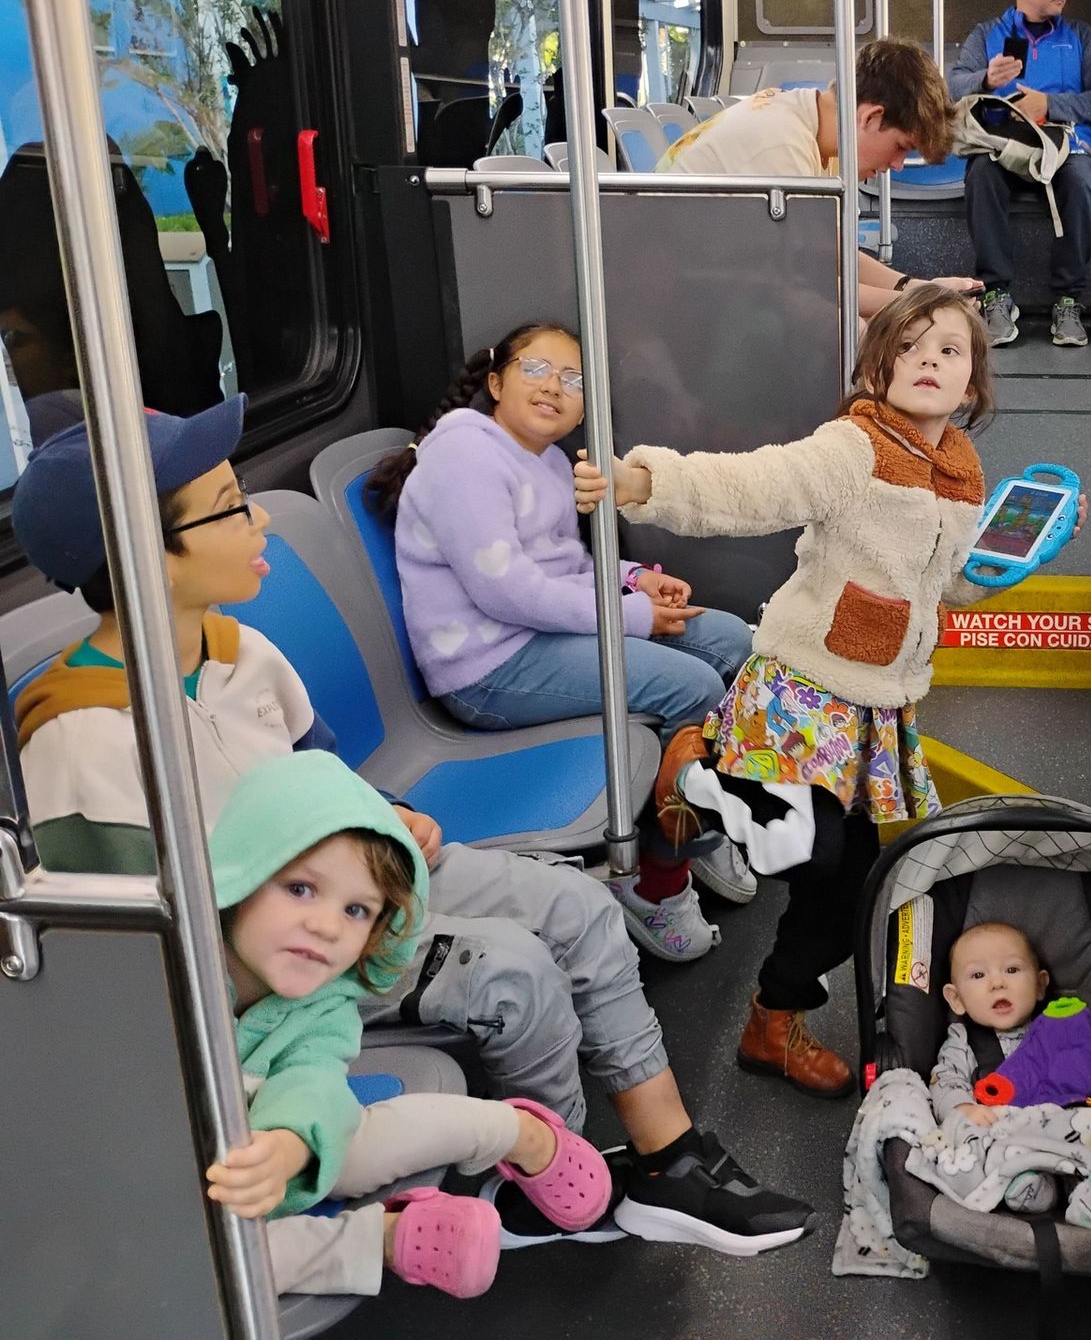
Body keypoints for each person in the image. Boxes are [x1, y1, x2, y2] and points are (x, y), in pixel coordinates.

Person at [8, 400, 816, 1255]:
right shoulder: (83, 736)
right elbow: (144, 956)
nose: (256, 523)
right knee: (513, 970)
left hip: (351, 878)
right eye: (228, 505)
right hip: (277, 959)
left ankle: (667, 1159)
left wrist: (383, 818)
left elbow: (320, 773)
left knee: (579, 908)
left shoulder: (236, 650)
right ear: (142, 555)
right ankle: (554, 1184)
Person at [576, 286, 1079, 1097]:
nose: (929, 361)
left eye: (950, 350)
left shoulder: (961, 469)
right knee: (813, 851)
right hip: (801, 687)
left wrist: (1017, 561)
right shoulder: (854, 444)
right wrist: (647, 483)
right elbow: (756, 486)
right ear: (875, 369)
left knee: (855, 887)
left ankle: (773, 1022)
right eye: (908, 347)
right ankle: (701, 776)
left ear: (974, 384)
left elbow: (945, 588)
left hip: (878, 703)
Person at [365, 322, 755, 943]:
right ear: (495, 381)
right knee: (693, 687)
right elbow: (508, 591)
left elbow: (564, 569)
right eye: (536, 370)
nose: (554, 388)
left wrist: (634, 581)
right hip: (487, 667)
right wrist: (630, 618)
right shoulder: (464, 456)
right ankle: (657, 878)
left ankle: (685, 817)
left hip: (539, 637)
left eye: (572, 380)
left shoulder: (545, 461)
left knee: (733, 641)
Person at [204, 750, 614, 1298]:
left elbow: (312, 1083)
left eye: (356, 911)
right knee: (204, 1258)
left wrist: (289, 1146)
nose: (326, 926)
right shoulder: (157, 975)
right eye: (300, 888)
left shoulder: (321, 1000)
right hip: (183, 1185)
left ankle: (516, 1131)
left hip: (272, 1148)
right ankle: (384, 1238)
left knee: (354, 1135)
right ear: (243, 871)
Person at [656, 37, 981, 317]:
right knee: (858, 335)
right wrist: (923, 306)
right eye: (900, 147)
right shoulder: (784, 145)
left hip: (713, 276)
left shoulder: (814, 130)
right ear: (870, 117)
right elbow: (810, 283)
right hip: (678, 294)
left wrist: (916, 289)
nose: (896, 166)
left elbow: (825, 251)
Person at [928, 921, 1091, 1228]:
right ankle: (1030, 1183)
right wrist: (964, 1107)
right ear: (956, 999)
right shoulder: (964, 1041)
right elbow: (947, 1078)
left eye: (1011, 970)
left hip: (1070, 1126)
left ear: (1039, 984)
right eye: (979, 975)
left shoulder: (1061, 1026)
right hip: (1011, 1133)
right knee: (970, 1139)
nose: (997, 984)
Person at [948, 0, 1091, 348]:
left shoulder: (1080, 35)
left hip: (1066, 146)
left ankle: (1068, 301)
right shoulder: (988, 33)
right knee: (981, 174)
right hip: (1006, 146)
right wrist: (985, 81)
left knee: (1079, 180)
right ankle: (995, 294)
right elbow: (953, 87)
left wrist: (1051, 105)